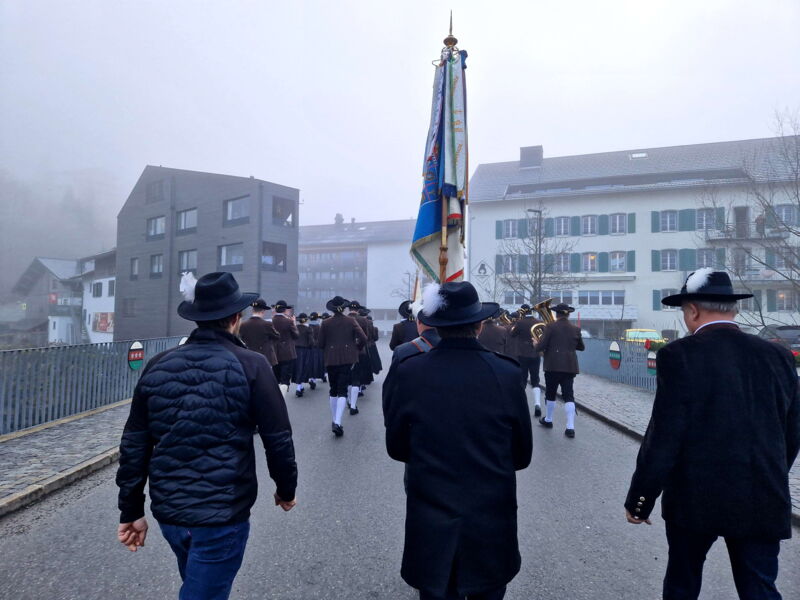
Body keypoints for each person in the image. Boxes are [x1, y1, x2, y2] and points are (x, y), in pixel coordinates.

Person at [116, 272, 298, 600]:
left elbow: (135, 442)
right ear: (235, 318)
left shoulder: (159, 364)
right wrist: (286, 490)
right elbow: (278, 438)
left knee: (197, 583)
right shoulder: (253, 365)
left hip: (169, 512)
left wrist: (131, 510)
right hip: (223, 513)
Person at [624, 269, 800, 600]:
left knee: (682, 582)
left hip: (695, 498)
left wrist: (641, 500)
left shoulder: (678, 355)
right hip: (763, 493)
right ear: (732, 308)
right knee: (760, 587)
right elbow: (792, 430)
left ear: (692, 310)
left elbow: (664, 437)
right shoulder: (778, 355)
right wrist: (771, 472)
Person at [384, 281, 533, 600]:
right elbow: (521, 455)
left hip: (432, 513)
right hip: (490, 517)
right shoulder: (507, 374)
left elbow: (396, 447)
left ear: (434, 324)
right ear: (479, 326)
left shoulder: (411, 371)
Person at [317, 296, 368, 435]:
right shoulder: (351, 321)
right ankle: (338, 422)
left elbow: (320, 344)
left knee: (333, 389)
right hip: (347, 358)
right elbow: (364, 338)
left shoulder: (325, 323)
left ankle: (334, 420)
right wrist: (356, 348)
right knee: (342, 390)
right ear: (344, 307)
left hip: (331, 358)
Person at [533, 302, 584, 438]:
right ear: (568, 314)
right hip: (569, 366)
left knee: (551, 393)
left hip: (553, 365)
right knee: (569, 395)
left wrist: (535, 344)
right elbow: (581, 347)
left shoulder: (550, 327)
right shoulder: (576, 329)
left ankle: (549, 420)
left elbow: (540, 347)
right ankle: (570, 427)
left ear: (556, 313)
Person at [510, 305, 543, 417]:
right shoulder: (539, 321)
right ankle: (537, 404)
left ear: (523, 313)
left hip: (522, 354)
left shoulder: (520, 322)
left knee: (523, 380)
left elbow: (512, 334)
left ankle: (521, 406)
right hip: (535, 353)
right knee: (535, 380)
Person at [347, 301, 374, 410]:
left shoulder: (345, 319)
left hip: (346, 352)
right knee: (356, 378)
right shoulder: (363, 320)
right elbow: (365, 337)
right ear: (358, 310)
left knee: (347, 378)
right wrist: (359, 347)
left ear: (349, 309)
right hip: (360, 352)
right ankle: (353, 405)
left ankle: (349, 400)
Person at [239, 299, 280, 369]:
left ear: (252, 310)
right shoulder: (267, 324)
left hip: (249, 357)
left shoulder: (243, 325)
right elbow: (277, 336)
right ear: (263, 311)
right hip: (265, 358)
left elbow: (241, 339)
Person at [272, 299, 299, 392]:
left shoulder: (270, 321)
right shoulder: (289, 321)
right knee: (285, 379)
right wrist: (294, 323)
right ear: (284, 310)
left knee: (275, 378)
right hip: (287, 352)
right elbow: (296, 335)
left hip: (274, 352)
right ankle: (282, 397)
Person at [292, 313, 316, 397]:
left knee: (297, 368)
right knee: (303, 368)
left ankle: (299, 387)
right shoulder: (308, 329)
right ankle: (299, 387)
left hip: (295, 350)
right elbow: (311, 342)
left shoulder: (296, 328)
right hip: (305, 350)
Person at [307, 311, 326, 387]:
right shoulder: (320, 327)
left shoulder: (308, 326)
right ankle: (314, 379)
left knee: (309, 364)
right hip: (318, 348)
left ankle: (310, 378)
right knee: (317, 364)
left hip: (309, 348)